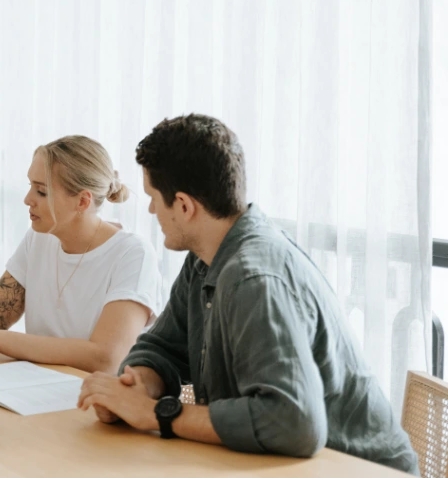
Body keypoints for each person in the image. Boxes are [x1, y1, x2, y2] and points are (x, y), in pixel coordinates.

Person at [77, 114, 418, 474]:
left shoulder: (253, 278)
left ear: (184, 205)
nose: (150, 210)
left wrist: (157, 414)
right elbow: (163, 347)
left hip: (356, 469)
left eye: (152, 198)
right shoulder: (206, 256)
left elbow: (294, 422)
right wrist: (136, 387)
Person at [0, 135, 161, 374]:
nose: (28, 199)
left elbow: (106, 358)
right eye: (30, 186)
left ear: (82, 201)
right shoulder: (39, 237)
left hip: (98, 394)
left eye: (41, 191)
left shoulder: (133, 254)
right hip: (36, 386)